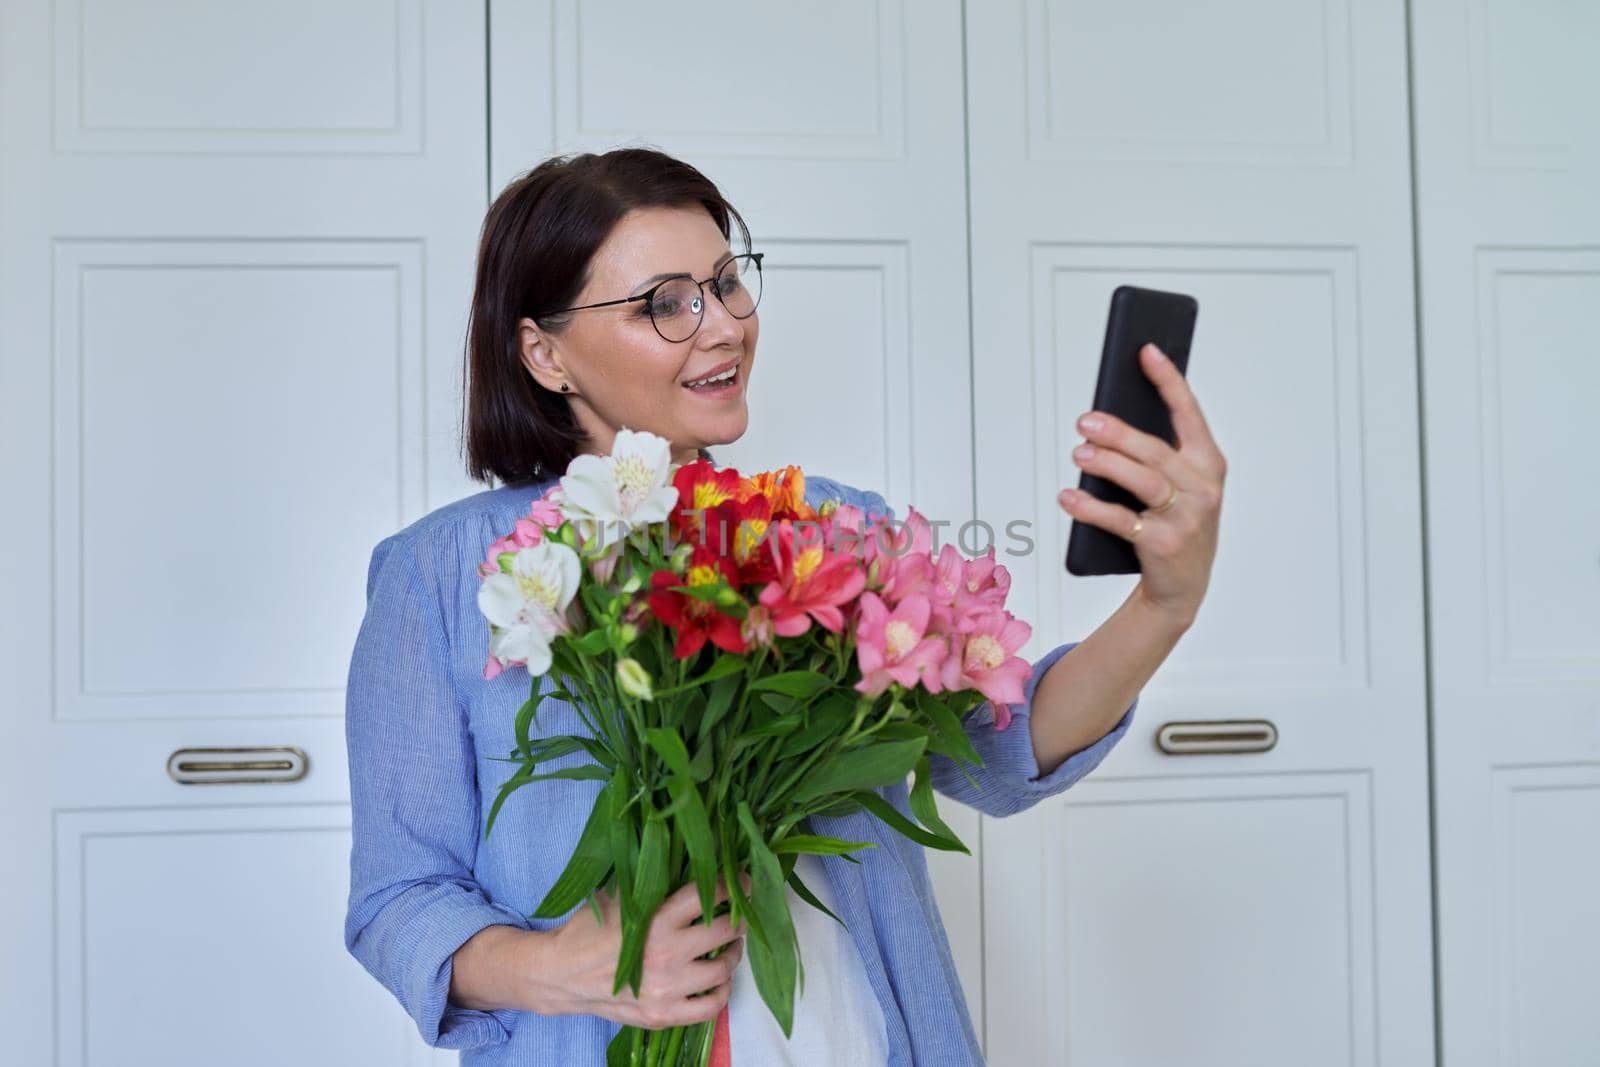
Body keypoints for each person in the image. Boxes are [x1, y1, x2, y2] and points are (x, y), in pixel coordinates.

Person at [343, 147, 1225, 1066]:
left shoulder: (835, 532)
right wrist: (561, 966)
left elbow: (998, 749)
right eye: (666, 303)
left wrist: (1165, 602)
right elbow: (397, 898)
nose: (723, 327)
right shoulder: (442, 577)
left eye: (727, 283)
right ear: (546, 352)